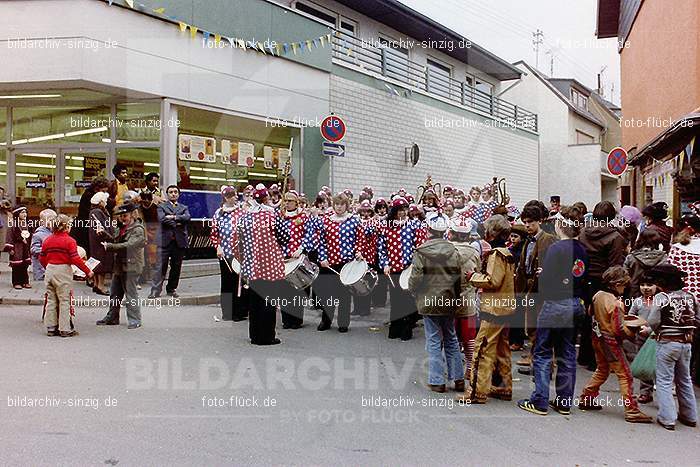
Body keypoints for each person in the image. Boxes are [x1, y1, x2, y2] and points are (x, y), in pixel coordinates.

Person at [517, 206, 588, 416]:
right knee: (567, 352)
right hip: (575, 303)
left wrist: (543, 273)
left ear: (560, 225)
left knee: (543, 351)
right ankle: (564, 401)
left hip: (555, 303)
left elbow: (546, 282)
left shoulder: (557, 248)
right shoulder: (582, 249)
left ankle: (540, 400)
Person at [577, 266, 652, 423]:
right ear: (617, 283)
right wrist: (632, 331)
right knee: (625, 374)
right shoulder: (616, 303)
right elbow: (618, 329)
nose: (625, 288)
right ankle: (631, 409)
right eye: (624, 285)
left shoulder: (598, 295)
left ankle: (586, 397)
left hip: (596, 337)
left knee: (602, 369)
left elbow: (590, 312)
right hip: (610, 341)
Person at [457, 215, 516, 404]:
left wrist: (473, 276)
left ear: (492, 232)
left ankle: (475, 392)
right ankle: (504, 387)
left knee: (482, 349)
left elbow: (492, 280)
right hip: (505, 307)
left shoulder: (496, 254)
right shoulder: (507, 252)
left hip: (493, 308)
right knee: (501, 349)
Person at [408, 213, 464, 393]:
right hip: (449, 299)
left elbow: (416, 278)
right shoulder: (454, 251)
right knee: (451, 338)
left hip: (429, 300)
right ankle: (458, 378)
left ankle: (437, 380)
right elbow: (459, 279)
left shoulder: (421, 252)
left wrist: (413, 291)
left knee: (433, 340)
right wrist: (456, 298)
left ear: (428, 230)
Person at [643, 264, 699, 430]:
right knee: (685, 379)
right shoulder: (690, 296)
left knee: (664, 381)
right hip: (686, 343)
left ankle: (667, 418)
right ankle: (690, 416)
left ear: (662, 282)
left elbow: (653, 321)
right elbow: (697, 318)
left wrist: (650, 330)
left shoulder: (662, 298)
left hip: (667, 342)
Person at [578, 201, 629, 370]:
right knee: (602, 322)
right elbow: (615, 265)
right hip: (603, 281)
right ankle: (598, 360)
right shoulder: (615, 237)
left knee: (588, 317)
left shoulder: (584, 232)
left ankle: (585, 355)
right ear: (612, 217)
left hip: (585, 280)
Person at [235, 185, 284, 345]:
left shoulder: (244, 216)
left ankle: (254, 334)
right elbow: (284, 236)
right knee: (268, 301)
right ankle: (266, 336)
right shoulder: (271, 215)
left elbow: (237, 240)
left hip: (251, 264)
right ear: (266, 198)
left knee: (255, 300)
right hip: (269, 264)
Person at [310, 192, 362, 333]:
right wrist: (322, 257)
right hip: (329, 264)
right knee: (328, 294)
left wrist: (358, 251)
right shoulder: (326, 220)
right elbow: (321, 241)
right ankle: (326, 320)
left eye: (342, 204)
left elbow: (359, 239)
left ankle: (343, 322)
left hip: (346, 263)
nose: (339, 207)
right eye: (337, 204)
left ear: (347, 205)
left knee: (344, 294)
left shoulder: (354, 220)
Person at [514, 203, 557, 371]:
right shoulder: (528, 241)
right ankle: (535, 357)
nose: (527, 225)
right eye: (525, 222)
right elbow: (524, 265)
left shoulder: (548, 239)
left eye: (530, 222)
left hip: (542, 289)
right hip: (529, 289)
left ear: (539, 221)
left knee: (542, 327)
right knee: (531, 327)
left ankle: (545, 362)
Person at [378, 197, 427, 340]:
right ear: (393, 211)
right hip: (393, 268)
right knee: (395, 299)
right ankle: (395, 326)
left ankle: (407, 328)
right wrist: (385, 264)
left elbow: (420, 246)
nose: (402, 213)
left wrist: (415, 264)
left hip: (409, 268)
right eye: (399, 210)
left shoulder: (414, 225)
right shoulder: (386, 226)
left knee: (408, 299)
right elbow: (382, 249)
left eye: (405, 209)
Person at [39, 214, 94, 337]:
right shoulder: (70, 241)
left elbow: (41, 257)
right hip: (63, 270)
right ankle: (64, 328)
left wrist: (47, 267)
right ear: (66, 227)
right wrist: (87, 271)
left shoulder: (47, 240)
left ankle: (51, 327)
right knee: (64, 300)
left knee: (51, 300)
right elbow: (76, 259)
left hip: (50, 270)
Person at [94, 202, 145, 328]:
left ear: (132, 215)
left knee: (131, 293)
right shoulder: (122, 227)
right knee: (115, 293)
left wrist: (110, 246)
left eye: (125, 215)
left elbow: (128, 246)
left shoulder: (138, 229)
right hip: (120, 265)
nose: (122, 218)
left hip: (131, 266)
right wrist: (104, 234)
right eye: (120, 216)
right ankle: (112, 317)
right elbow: (115, 239)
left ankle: (135, 320)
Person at [667, 214, 700, 385]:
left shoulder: (677, 248)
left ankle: (680, 377)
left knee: (684, 338)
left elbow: (670, 274)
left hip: (684, 298)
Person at [448, 219, 480, 383]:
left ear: (451, 233)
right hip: (468, 300)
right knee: (469, 337)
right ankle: (470, 367)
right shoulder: (474, 252)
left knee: (450, 337)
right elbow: (478, 274)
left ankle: (453, 370)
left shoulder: (447, 251)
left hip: (449, 300)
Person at [210, 186, 248, 322]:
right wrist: (218, 247)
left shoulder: (242, 212)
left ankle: (240, 311)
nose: (236, 197)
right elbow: (214, 234)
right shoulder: (218, 213)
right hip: (225, 253)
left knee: (240, 282)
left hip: (240, 253)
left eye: (236, 195)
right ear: (226, 197)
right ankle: (227, 312)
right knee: (227, 282)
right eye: (232, 195)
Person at [149, 185, 190, 299]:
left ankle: (171, 289)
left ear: (178, 194)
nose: (173, 194)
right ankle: (155, 291)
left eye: (175, 192)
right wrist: (178, 222)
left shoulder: (184, 207)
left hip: (179, 242)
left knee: (176, 267)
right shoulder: (161, 206)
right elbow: (162, 219)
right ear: (167, 194)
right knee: (160, 267)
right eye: (171, 192)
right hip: (164, 241)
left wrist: (172, 217)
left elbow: (187, 218)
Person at [277, 190, 310, 329]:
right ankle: (286, 319)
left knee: (297, 288)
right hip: (283, 257)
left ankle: (296, 319)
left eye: (290, 201)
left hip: (296, 257)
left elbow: (310, 235)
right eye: (285, 201)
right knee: (284, 290)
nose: (287, 203)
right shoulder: (279, 216)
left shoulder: (304, 217)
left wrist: (301, 248)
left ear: (296, 202)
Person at [625, 276, 657, 404]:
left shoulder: (660, 301)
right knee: (644, 365)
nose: (646, 288)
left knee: (658, 366)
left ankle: (663, 393)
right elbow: (631, 317)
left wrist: (650, 329)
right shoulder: (638, 301)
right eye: (642, 284)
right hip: (641, 338)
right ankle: (645, 392)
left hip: (657, 338)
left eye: (649, 284)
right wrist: (636, 327)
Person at [623, 229, 667, 299]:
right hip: (658, 295)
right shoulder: (663, 257)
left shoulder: (631, 257)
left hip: (634, 294)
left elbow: (625, 276)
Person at [138, 172, 164, 287]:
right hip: (145, 224)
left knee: (155, 251)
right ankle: (144, 276)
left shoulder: (159, 192)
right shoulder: (141, 192)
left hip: (156, 224)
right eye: (153, 181)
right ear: (147, 181)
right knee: (145, 251)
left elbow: (163, 203)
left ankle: (154, 276)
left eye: (156, 181)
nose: (155, 183)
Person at [87, 192, 113, 295]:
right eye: (104, 200)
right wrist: (110, 237)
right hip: (101, 241)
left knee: (97, 263)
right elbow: (100, 228)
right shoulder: (98, 212)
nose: (106, 202)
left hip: (97, 241)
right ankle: (101, 286)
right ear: (101, 201)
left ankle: (97, 285)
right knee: (102, 263)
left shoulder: (94, 211)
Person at [4, 206, 33, 289]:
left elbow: (30, 235)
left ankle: (25, 281)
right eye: (22, 212)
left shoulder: (28, 224)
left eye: (25, 212)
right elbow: (9, 237)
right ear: (17, 214)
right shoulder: (12, 225)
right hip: (17, 248)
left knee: (25, 265)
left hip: (25, 248)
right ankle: (16, 282)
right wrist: (10, 249)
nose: (25, 214)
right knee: (17, 266)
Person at [30, 209, 57, 282]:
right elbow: (33, 250)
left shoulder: (55, 232)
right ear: (42, 222)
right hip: (41, 268)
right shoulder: (38, 235)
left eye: (54, 220)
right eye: (50, 220)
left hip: (52, 266)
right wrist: (47, 250)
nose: (53, 222)